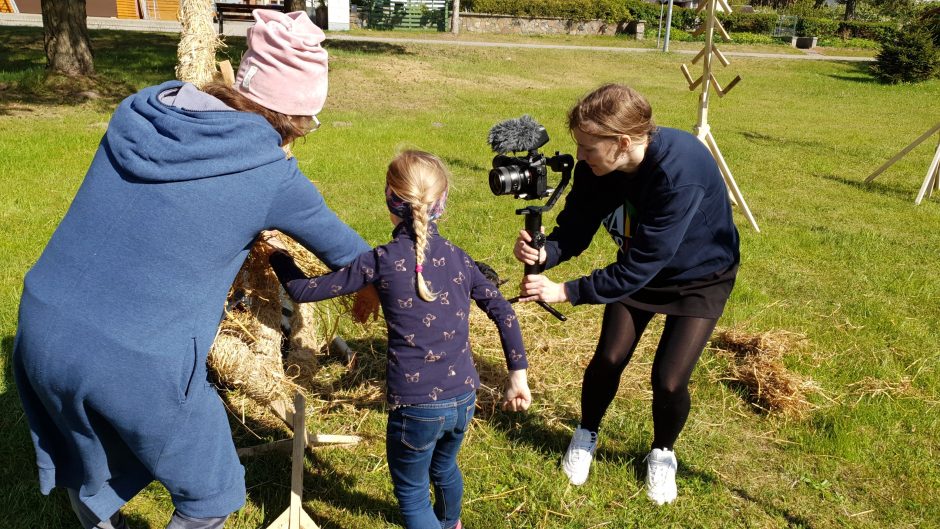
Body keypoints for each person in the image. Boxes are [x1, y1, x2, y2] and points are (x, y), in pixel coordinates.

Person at [12, 10, 379, 529]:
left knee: (87, 467)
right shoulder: (269, 172)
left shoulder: (137, 114)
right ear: (294, 117)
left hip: (41, 327)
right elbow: (359, 258)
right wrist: (373, 289)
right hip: (135, 360)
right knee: (213, 496)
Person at [263, 150, 532, 529]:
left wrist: (277, 252)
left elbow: (302, 291)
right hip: (463, 396)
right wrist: (517, 376)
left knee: (411, 492)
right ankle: (451, 523)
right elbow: (504, 311)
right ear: (443, 203)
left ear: (390, 198)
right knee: (445, 468)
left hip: (416, 404)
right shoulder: (459, 258)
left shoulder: (380, 260)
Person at [514, 83, 740, 505]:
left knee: (669, 381)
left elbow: (640, 266)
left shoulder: (679, 171)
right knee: (608, 359)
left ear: (622, 142)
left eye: (587, 147)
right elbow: (577, 227)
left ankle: (663, 452)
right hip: (638, 272)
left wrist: (566, 290)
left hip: (701, 278)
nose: (579, 156)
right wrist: (547, 252)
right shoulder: (600, 168)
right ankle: (587, 432)